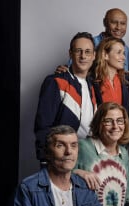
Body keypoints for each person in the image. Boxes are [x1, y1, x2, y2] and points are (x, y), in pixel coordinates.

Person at [34, 32, 97, 164]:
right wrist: (45, 159)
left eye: (87, 52)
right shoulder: (56, 82)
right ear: (70, 53)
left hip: (87, 156)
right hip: (61, 157)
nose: (83, 56)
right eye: (78, 51)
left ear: (94, 56)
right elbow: (43, 125)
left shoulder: (93, 86)